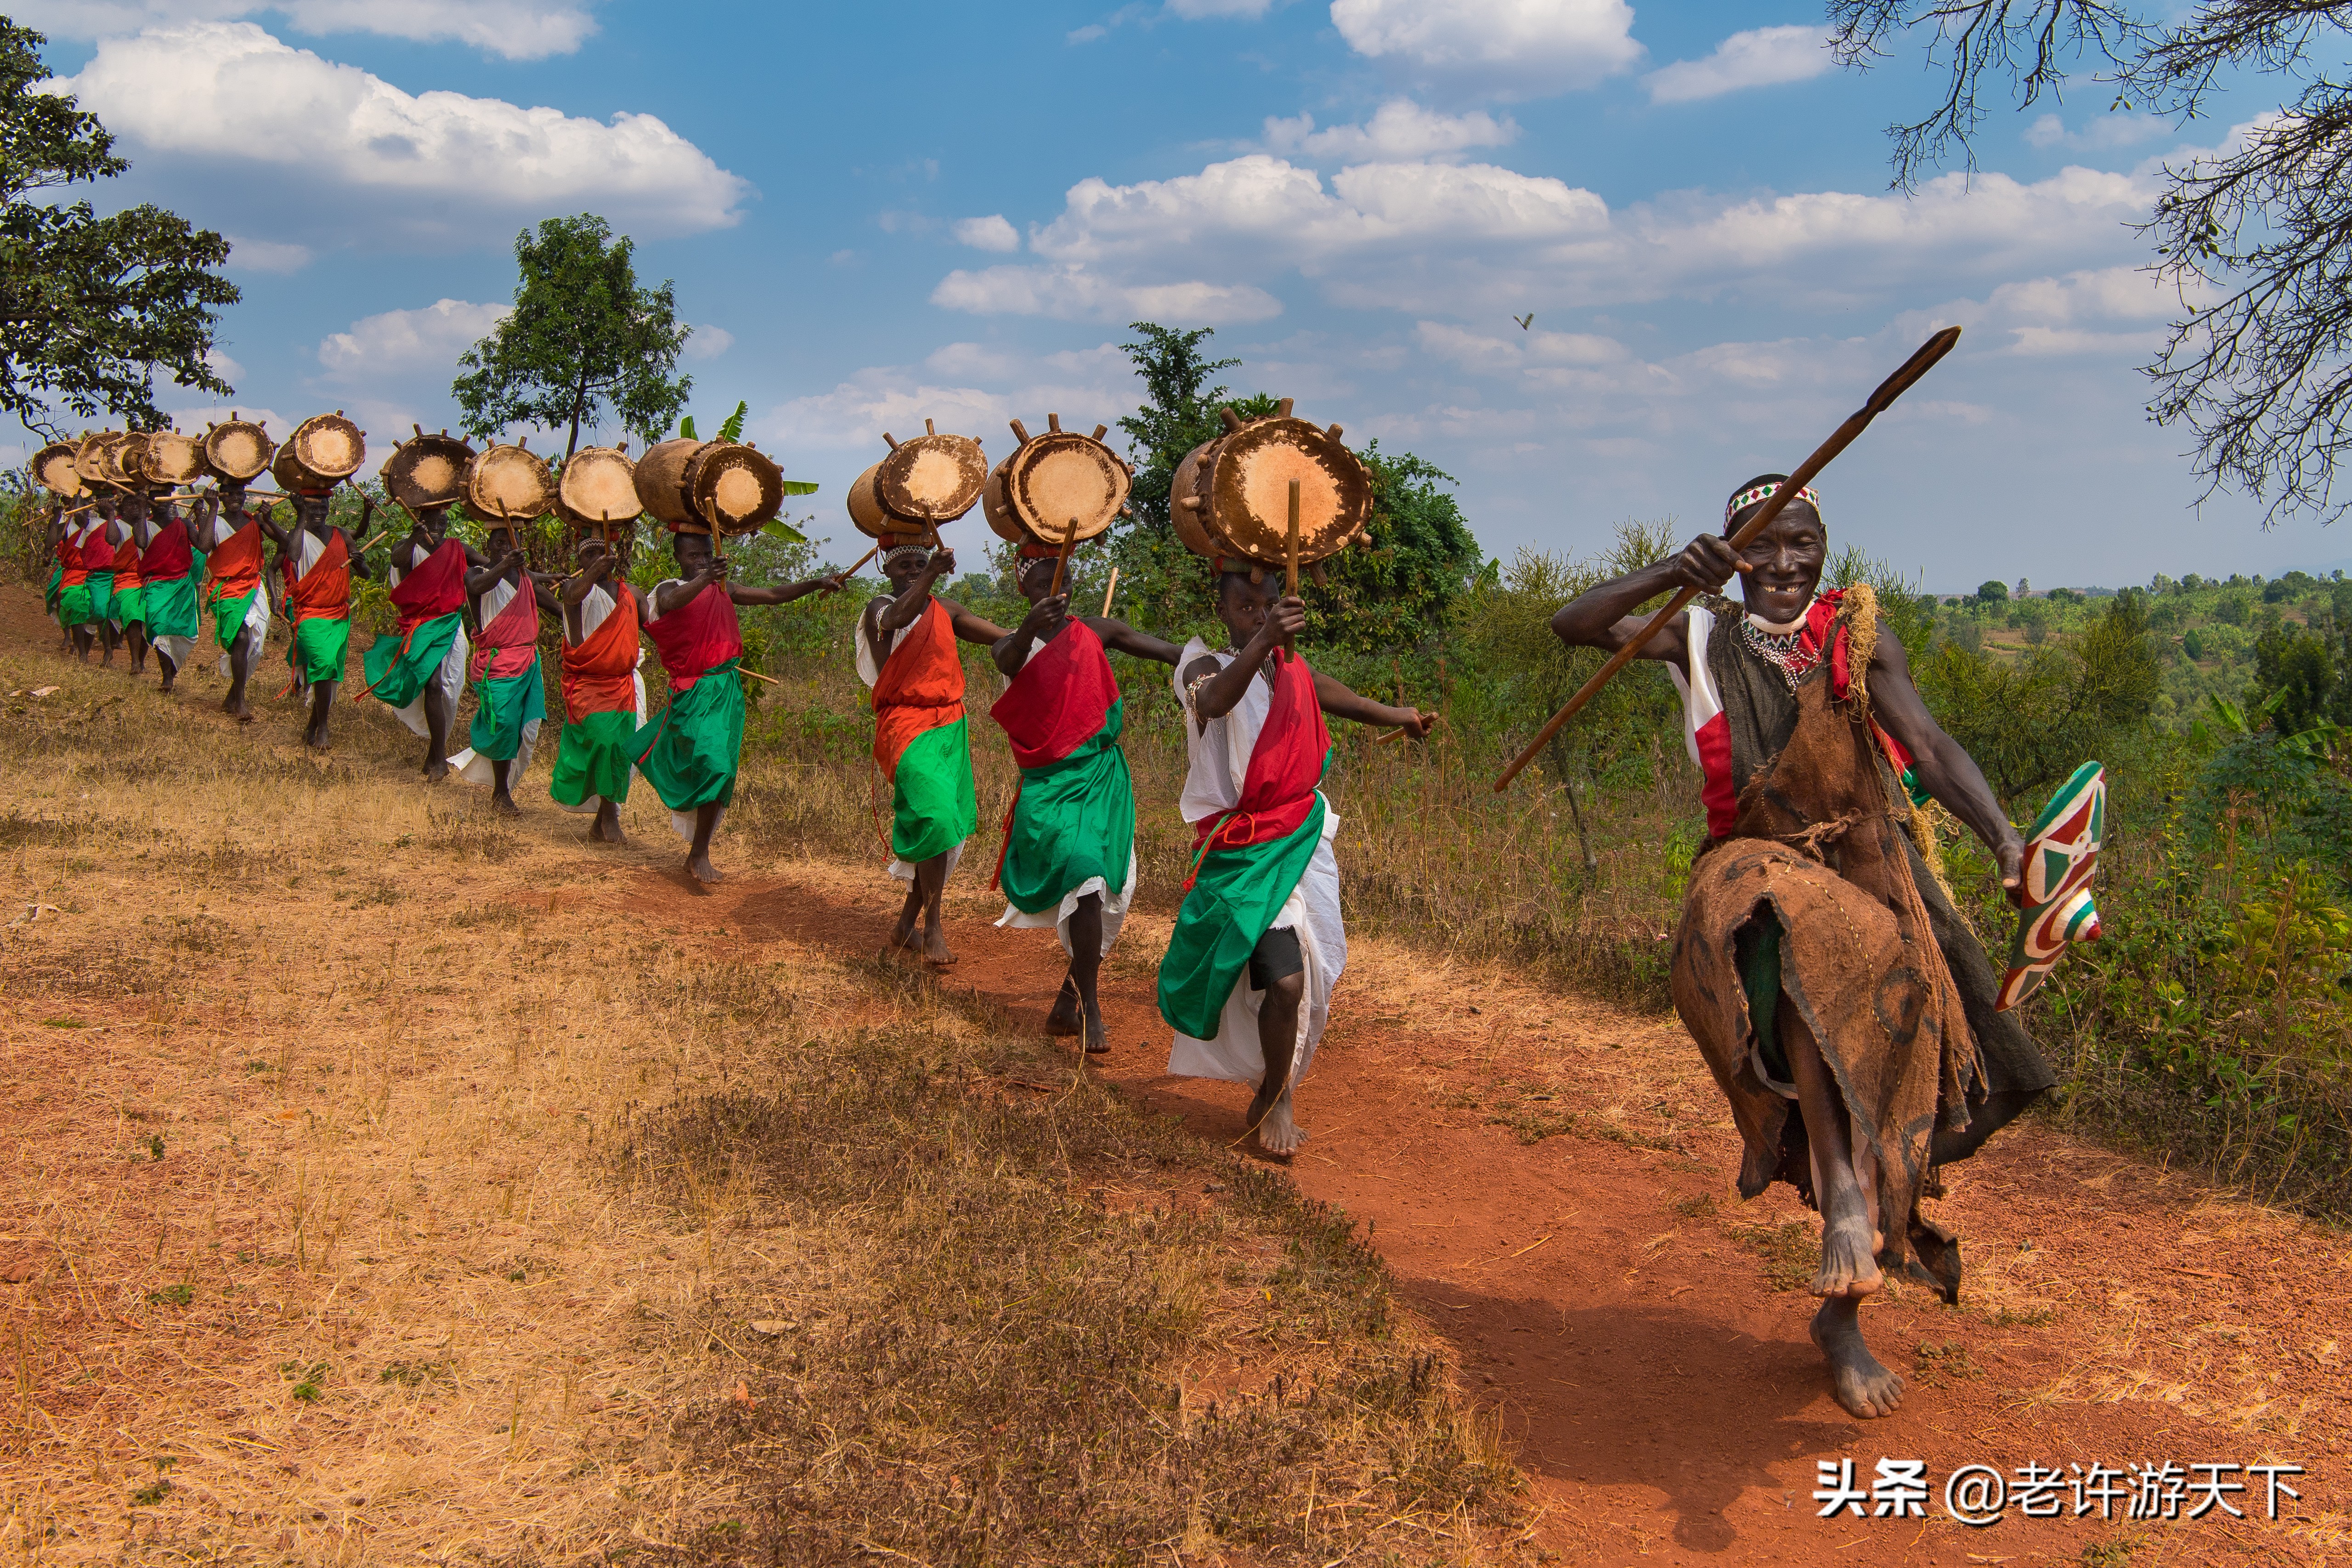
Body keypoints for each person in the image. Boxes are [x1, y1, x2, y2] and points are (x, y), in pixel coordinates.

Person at [1549, 475, 2056, 1422]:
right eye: (1761, 544)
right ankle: (1845, 1209)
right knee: (1800, 929)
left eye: (1802, 544)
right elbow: (1572, 624)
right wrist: (1673, 567)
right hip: (1754, 869)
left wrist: (2004, 838)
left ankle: (1866, 1193)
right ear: (1732, 551)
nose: (1783, 564)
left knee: (2002, 1074)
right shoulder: (1696, 633)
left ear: (1823, 549)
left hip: (1874, 859)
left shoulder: (1857, 635)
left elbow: (1932, 747)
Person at [1158, 568, 1430, 1157]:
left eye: (1269, 605)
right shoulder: (1200, 664)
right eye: (1246, 605)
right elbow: (1213, 699)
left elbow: (1335, 694)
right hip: (1244, 848)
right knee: (1285, 980)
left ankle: (1273, 1088)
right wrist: (1264, 639)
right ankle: (1276, 1098)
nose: (1258, 614)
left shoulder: (1287, 669)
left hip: (1301, 835)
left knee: (1314, 969)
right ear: (1222, 609)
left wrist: (1397, 715)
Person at [989, 543, 1181, 1052]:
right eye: (1042, 584)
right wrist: (1031, 626)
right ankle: (1083, 1004)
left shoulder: (1095, 630)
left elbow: (1166, 651)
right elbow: (1009, 658)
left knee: (1096, 881)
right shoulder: (1012, 643)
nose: (1057, 590)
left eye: (1065, 578)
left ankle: (1076, 1000)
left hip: (1100, 778)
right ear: (1023, 590)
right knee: (1084, 876)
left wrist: (1224, 663)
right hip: (1048, 787)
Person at [637, 525, 845, 882]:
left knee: (720, 768)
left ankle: (699, 853)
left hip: (726, 690)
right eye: (693, 556)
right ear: (678, 558)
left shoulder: (725, 589)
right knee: (704, 764)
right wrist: (707, 578)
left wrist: (814, 583)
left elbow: (773, 594)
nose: (701, 561)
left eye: (706, 554)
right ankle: (697, 851)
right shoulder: (669, 589)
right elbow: (671, 605)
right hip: (692, 691)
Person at [859, 542, 1008, 961]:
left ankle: (908, 921)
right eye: (904, 565)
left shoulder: (944, 607)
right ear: (887, 569)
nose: (912, 571)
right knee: (936, 817)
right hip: (905, 725)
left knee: (945, 829)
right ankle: (934, 925)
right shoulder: (880, 607)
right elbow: (898, 618)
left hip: (949, 724)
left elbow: (998, 634)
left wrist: (1040, 632)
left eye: (920, 564)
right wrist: (932, 575)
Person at [446, 520, 558, 812]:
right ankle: (500, 792)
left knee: (525, 728)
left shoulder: (524, 579)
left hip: (528, 662)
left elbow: (557, 608)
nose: (505, 549)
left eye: (511, 544)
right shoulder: (477, 574)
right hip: (497, 663)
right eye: (499, 543)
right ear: (488, 547)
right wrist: (508, 563)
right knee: (504, 724)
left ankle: (504, 787)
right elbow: (478, 585)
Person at [362, 501, 480, 779]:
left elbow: (493, 568)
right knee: (434, 683)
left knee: (447, 690)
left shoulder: (456, 549)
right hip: (420, 626)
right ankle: (439, 759)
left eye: (443, 524)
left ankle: (434, 754)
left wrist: (535, 575)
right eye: (432, 523)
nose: (438, 529)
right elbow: (397, 559)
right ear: (420, 520)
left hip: (449, 625)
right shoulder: (409, 548)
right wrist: (415, 536)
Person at [550, 526, 648, 844]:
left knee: (621, 749)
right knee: (604, 743)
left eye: (600, 553)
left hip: (625, 684)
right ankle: (608, 818)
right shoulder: (575, 591)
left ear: (614, 557)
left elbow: (657, 626)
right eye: (588, 555)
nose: (596, 559)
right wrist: (593, 572)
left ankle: (604, 819)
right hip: (589, 683)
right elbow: (572, 594)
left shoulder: (631, 593)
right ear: (580, 560)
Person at [269, 490, 369, 747]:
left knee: (328, 672)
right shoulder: (298, 537)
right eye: (311, 509)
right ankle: (324, 727)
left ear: (328, 507)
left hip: (339, 615)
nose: (318, 513)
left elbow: (366, 574)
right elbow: (292, 556)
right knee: (324, 665)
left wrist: (359, 562)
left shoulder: (342, 535)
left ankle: (312, 727)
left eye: (321, 507)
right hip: (311, 614)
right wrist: (300, 513)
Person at [192, 492, 272, 719]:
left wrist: (270, 519)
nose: (235, 498)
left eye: (239, 491)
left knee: (253, 644)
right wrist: (213, 509)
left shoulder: (254, 521)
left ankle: (232, 698)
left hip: (254, 588)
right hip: (226, 589)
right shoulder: (214, 520)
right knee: (242, 639)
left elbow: (286, 544)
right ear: (220, 494)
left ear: (245, 494)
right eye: (228, 493)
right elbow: (204, 545)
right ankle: (240, 703)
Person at [138, 492, 205, 693]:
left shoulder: (184, 524)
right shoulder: (145, 526)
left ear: (171, 499)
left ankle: (171, 671)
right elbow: (141, 542)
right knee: (159, 628)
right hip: (156, 585)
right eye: (156, 496)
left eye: (165, 496)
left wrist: (202, 514)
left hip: (182, 585)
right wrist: (142, 509)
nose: (160, 501)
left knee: (183, 633)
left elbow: (203, 545)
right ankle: (167, 677)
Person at [54, 496, 115, 664]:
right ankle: (81, 652)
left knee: (101, 611)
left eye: (89, 503)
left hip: (95, 575)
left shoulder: (100, 524)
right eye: (82, 504)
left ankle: (108, 649)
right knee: (77, 606)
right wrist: (56, 518)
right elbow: (53, 542)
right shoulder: (67, 524)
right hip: (74, 575)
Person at [107, 489, 150, 676]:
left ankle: (141, 661)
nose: (134, 508)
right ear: (122, 507)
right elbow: (111, 539)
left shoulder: (150, 525)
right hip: (126, 580)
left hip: (149, 579)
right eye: (130, 504)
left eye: (137, 504)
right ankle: (134, 661)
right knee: (133, 615)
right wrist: (109, 514)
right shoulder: (117, 525)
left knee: (148, 621)